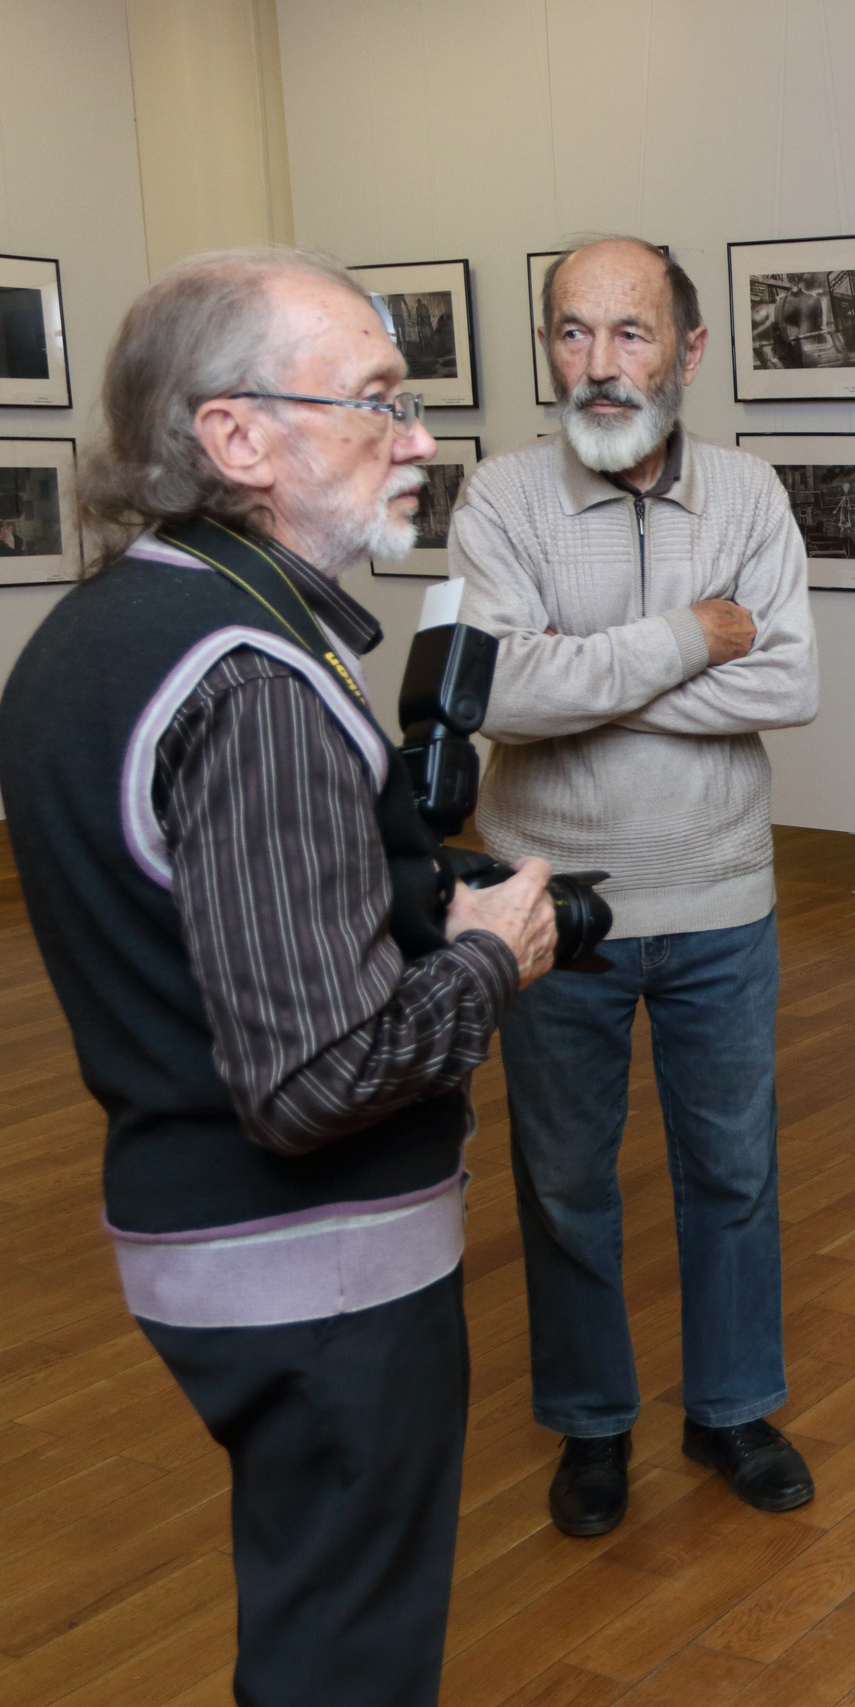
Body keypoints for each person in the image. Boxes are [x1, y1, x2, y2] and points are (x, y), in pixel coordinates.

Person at [0, 247, 560, 1706]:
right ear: (236, 437)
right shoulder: (248, 678)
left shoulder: (96, 629)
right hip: (311, 1265)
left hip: (202, 1246)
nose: (422, 438)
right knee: (344, 1662)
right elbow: (315, 1075)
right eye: (378, 400)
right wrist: (496, 955)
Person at [452, 236, 821, 1538]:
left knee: (732, 1169)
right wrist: (684, 639)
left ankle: (729, 1407)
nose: (599, 364)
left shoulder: (751, 496)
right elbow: (496, 688)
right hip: (547, 903)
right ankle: (592, 1422)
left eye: (630, 331)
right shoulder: (498, 501)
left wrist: (584, 672)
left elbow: (791, 684)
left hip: (720, 897)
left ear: (689, 350)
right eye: (572, 331)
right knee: (564, 1179)